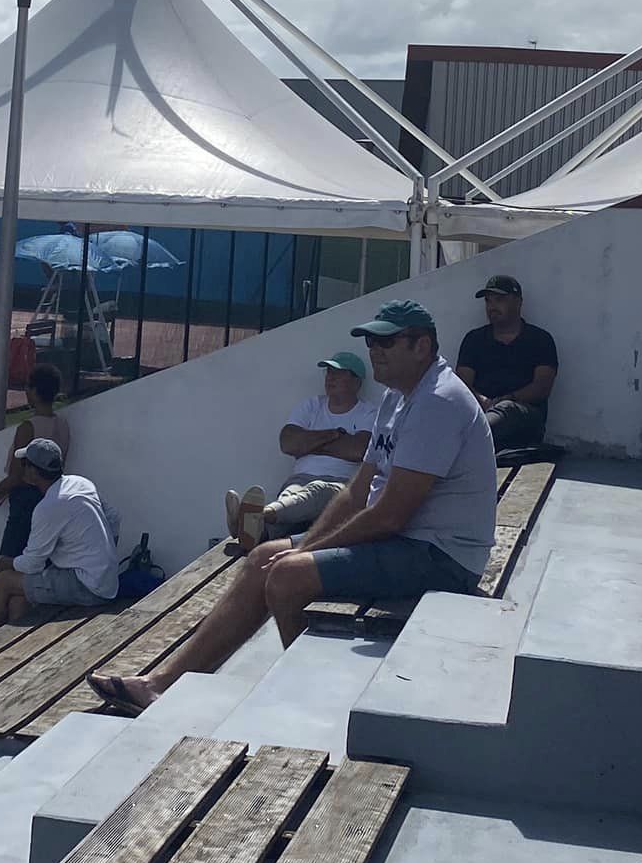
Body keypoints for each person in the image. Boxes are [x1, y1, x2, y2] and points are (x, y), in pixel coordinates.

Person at [87, 299, 496, 716]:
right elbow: (357, 492)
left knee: (286, 577)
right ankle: (159, 685)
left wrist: (306, 553)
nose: (375, 349)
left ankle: (312, 710)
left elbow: (391, 515)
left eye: (386, 341)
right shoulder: (398, 397)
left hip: (441, 557)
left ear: (421, 346)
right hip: (406, 543)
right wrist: (305, 547)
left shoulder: (438, 402)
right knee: (264, 556)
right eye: (372, 340)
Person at [223, 351, 374, 544]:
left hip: (340, 484)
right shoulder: (311, 406)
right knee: (290, 495)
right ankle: (251, 531)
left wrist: (308, 444)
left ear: (356, 382)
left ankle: (257, 514)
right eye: (328, 372)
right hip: (299, 479)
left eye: (339, 373)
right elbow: (288, 443)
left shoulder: (369, 413)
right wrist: (335, 435)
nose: (330, 378)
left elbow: (358, 450)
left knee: (316, 491)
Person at [0, 439, 121, 627]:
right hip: (107, 582)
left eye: (24, 464)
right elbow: (114, 518)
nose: (22, 469)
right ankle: (9, 647)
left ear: (33, 472)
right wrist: (104, 559)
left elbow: (32, 564)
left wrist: (0, 562)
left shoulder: (48, 507)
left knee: (4, 580)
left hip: (88, 588)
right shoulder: (81, 483)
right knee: (18, 598)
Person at [0, 366, 72, 559]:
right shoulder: (63, 425)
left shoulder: (28, 428)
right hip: (51, 497)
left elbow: (18, 475)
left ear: (34, 392)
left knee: (7, 561)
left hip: (25, 501)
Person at [454, 276, 558, 455]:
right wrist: (484, 401)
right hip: (480, 412)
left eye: (499, 299)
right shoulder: (474, 339)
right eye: (488, 301)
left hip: (524, 418)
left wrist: (507, 399)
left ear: (518, 302)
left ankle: (461, 448)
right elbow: (462, 384)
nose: (492, 306)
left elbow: (542, 387)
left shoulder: (540, 339)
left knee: (507, 408)